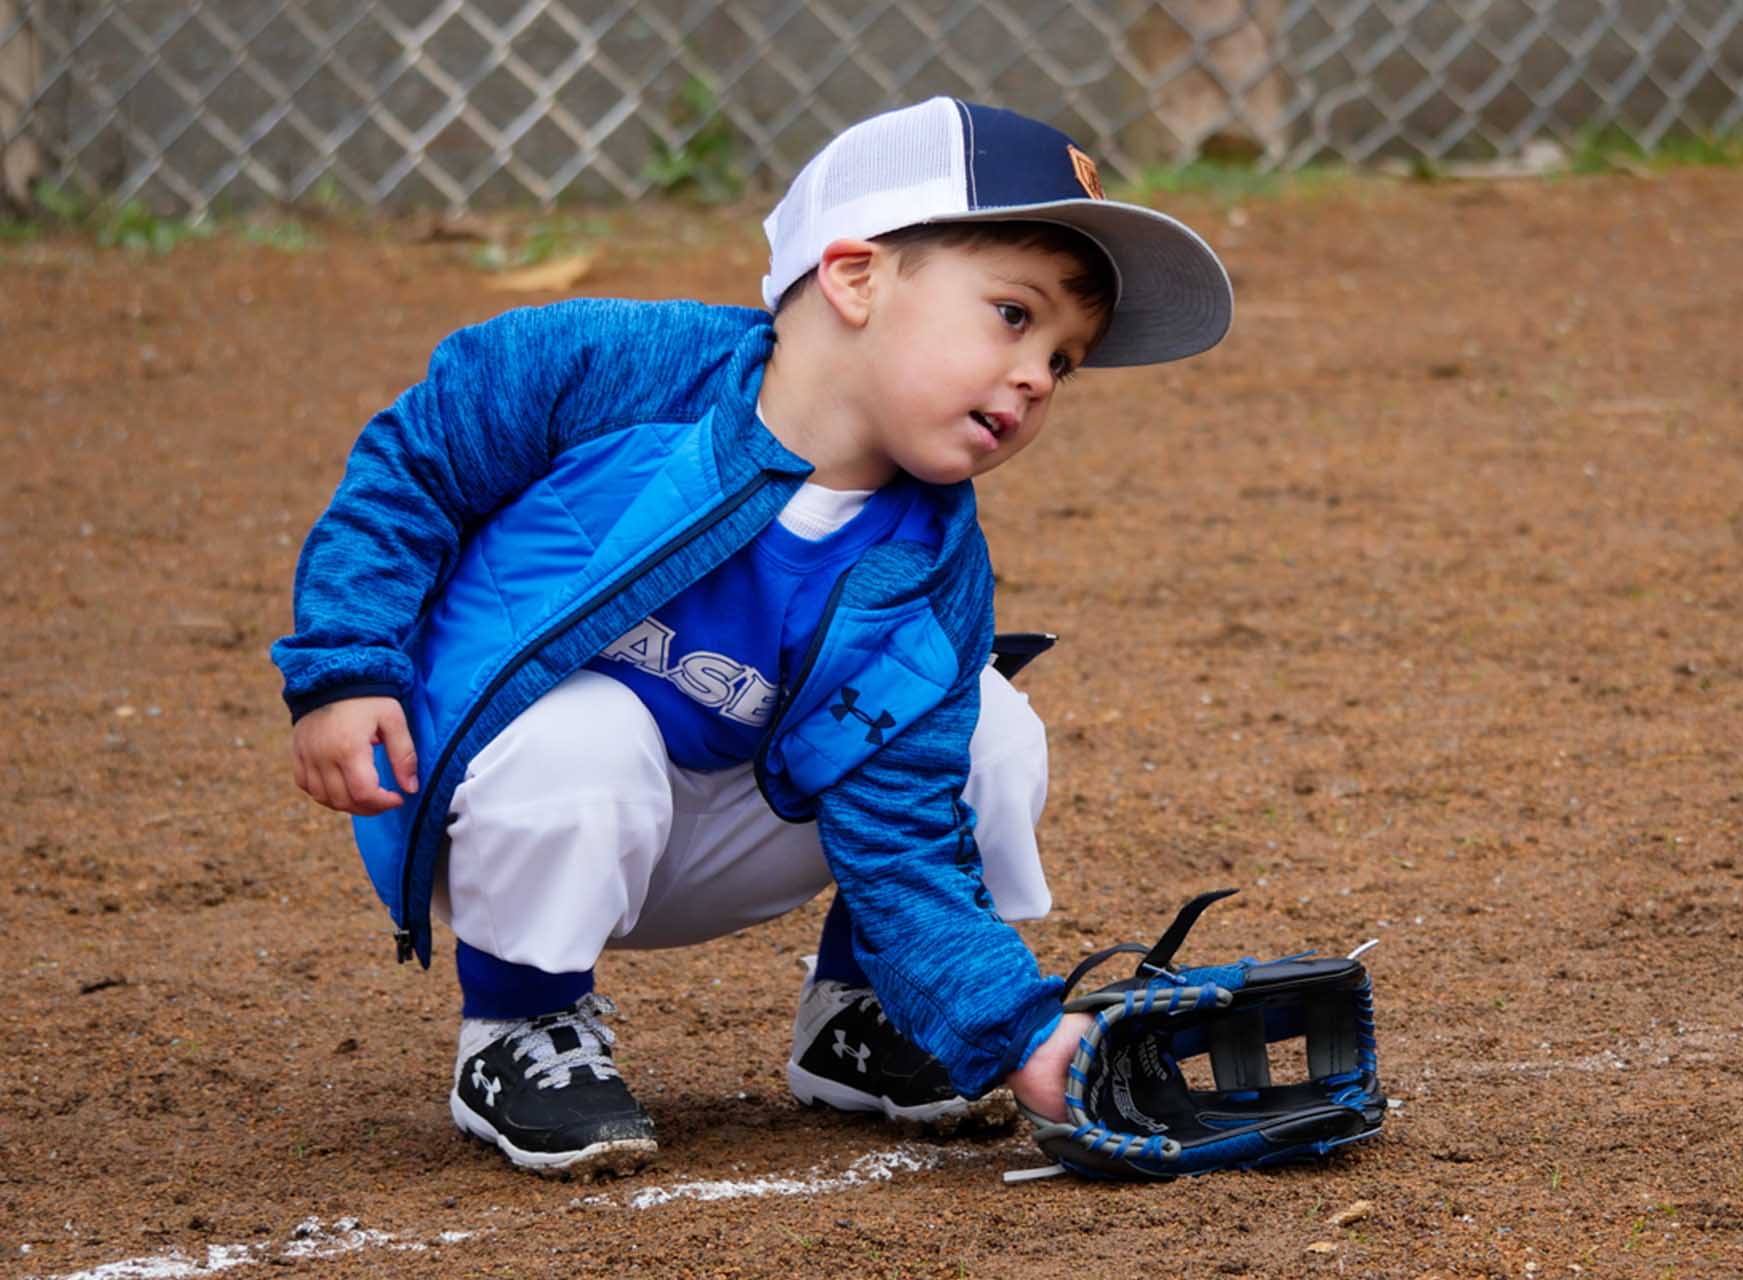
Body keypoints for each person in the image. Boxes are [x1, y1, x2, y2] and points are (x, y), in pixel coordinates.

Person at [271, 96, 1233, 1178]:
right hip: (486, 795)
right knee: (588, 731)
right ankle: (518, 1026)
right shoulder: (607, 365)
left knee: (990, 728)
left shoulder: (930, 571)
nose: (1035, 376)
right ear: (855, 276)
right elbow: (414, 467)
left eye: (1065, 360)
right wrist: (345, 666)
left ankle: (863, 1023)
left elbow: (907, 838)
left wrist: (1020, 1038)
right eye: (1016, 315)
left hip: (720, 819)